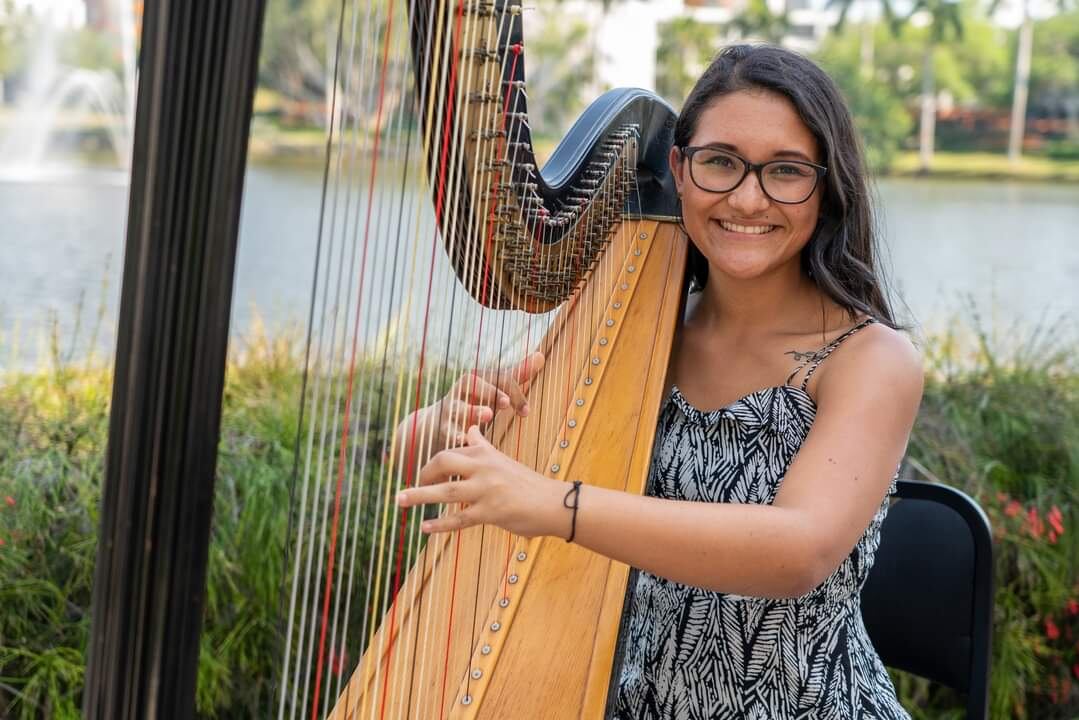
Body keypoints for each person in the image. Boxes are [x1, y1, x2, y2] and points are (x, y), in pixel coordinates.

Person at [396, 43, 922, 719]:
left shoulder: (867, 357)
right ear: (678, 167)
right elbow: (421, 468)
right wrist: (441, 422)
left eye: (785, 171)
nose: (747, 197)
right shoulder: (637, 326)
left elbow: (798, 550)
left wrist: (558, 506)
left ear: (824, 188)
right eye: (720, 162)